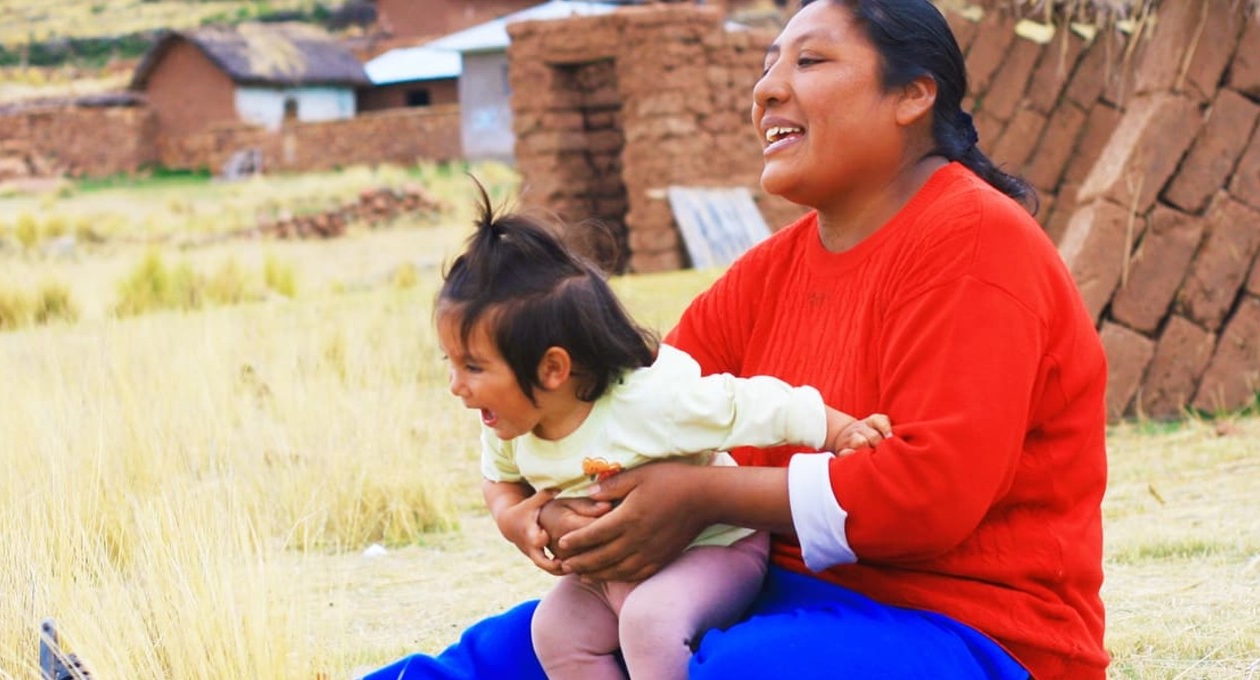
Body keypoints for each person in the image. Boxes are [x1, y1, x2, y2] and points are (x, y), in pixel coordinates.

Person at [365, 0, 1109, 677]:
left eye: (809, 61)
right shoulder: (764, 276)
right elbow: (628, 411)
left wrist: (700, 494)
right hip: (760, 592)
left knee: (740, 669)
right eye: (767, 64)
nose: (768, 90)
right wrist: (546, 513)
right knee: (495, 660)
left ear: (914, 95)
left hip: (969, 630)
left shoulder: (978, 243)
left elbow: (929, 497)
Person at [435, 188, 893, 680]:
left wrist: (839, 430)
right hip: (613, 570)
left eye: (474, 367)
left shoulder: (651, 402)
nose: (457, 387)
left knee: (649, 622)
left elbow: (756, 405)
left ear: (552, 368)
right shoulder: (508, 426)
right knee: (553, 630)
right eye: (452, 364)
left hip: (715, 549)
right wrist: (514, 519)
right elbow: (498, 482)